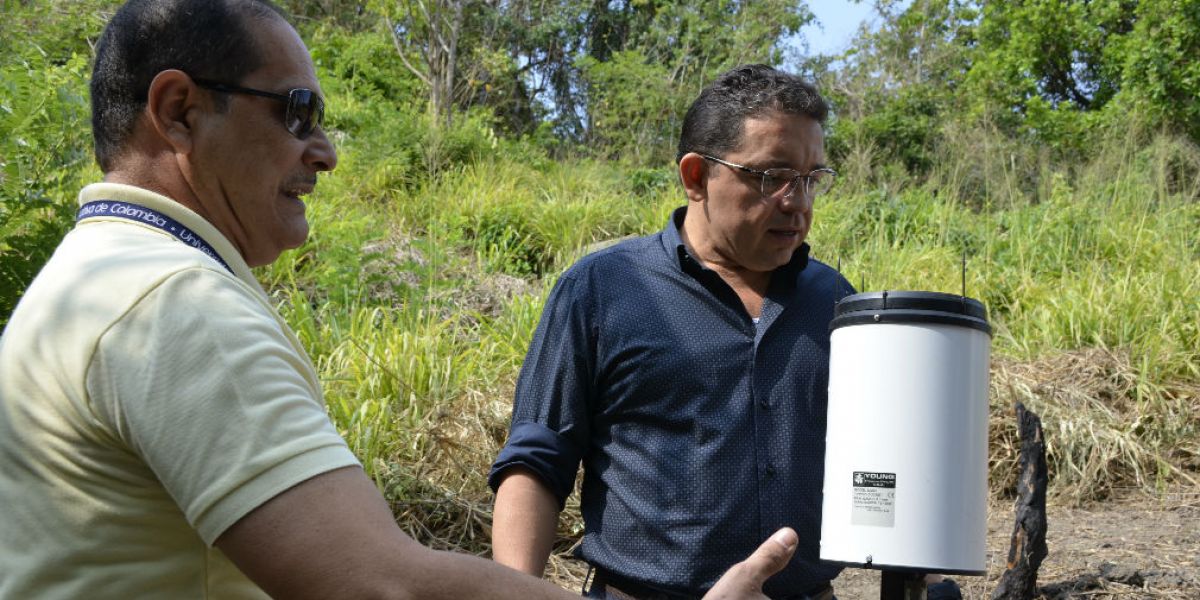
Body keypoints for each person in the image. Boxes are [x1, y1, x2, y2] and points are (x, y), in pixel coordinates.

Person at [0, 2, 798, 599]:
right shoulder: (174, 304)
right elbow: (383, 586)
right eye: (297, 112)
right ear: (179, 110)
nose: (327, 152)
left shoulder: (89, 279)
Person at [489, 64, 851, 599]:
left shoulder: (834, 300)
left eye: (811, 179)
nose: (797, 204)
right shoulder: (603, 289)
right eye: (772, 177)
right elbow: (538, 461)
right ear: (697, 176)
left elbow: (874, 462)